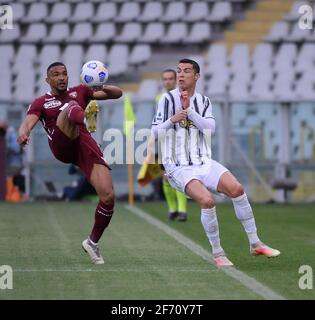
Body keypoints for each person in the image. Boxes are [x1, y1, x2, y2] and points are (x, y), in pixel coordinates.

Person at [151, 59, 280, 267]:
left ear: (196, 77)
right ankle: (218, 253)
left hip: (204, 161)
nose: (181, 75)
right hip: (178, 166)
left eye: (186, 71)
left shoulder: (203, 101)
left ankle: (255, 243)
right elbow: (154, 132)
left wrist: (189, 111)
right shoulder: (166, 100)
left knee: (237, 189)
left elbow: (210, 129)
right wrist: (173, 119)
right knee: (208, 201)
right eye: (179, 71)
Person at [18, 62, 122, 265]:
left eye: (64, 73)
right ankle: (85, 117)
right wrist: (24, 133)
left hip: (84, 143)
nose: (62, 77)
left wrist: (100, 86)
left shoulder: (81, 90)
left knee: (108, 196)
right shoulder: (42, 102)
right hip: (61, 143)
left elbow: (117, 94)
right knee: (71, 107)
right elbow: (27, 123)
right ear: (48, 80)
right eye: (56, 74)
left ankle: (92, 242)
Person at [158, 69, 188, 221]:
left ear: (176, 80)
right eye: (165, 79)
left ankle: (182, 211)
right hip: (165, 142)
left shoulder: (183, 97)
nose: (167, 81)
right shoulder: (161, 98)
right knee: (166, 177)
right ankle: (173, 209)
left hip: (181, 142)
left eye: (170, 78)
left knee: (180, 175)